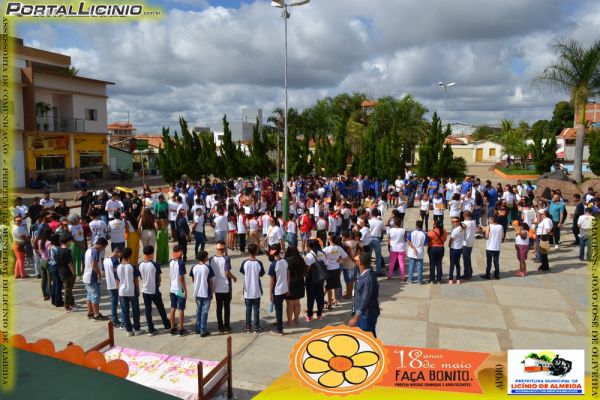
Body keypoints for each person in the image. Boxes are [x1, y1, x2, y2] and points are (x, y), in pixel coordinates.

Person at [139, 246, 171, 336]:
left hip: (144, 290)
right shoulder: (154, 264)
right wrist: (158, 284)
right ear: (152, 254)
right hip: (153, 290)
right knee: (160, 307)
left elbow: (141, 277)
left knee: (148, 309)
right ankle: (166, 325)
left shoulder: (140, 264)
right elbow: (158, 277)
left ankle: (150, 329)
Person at [348, 251, 380, 337]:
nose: (355, 261)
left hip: (366, 314)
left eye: (356, 260)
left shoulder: (368, 278)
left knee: (366, 336)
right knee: (368, 335)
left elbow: (366, 298)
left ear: (360, 262)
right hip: (362, 312)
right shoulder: (362, 273)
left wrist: (356, 316)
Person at [210, 241, 237, 334]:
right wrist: (234, 277)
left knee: (219, 307)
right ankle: (227, 326)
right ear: (223, 248)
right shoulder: (226, 258)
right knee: (226, 307)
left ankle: (220, 327)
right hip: (226, 287)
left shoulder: (211, 259)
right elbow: (227, 272)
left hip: (216, 287)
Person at [116, 247, 143, 337]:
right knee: (135, 311)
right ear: (130, 255)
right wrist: (138, 290)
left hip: (122, 292)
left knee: (125, 312)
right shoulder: (132, 267)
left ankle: (129, 330)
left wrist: (118, 290)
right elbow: (136, 280)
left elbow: (117, 281)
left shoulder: (118, 267)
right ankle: (137, 329)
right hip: (131, 291)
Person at [240, 244, 265, 333]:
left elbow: (242, 272)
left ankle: (248, 327)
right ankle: (257, 327)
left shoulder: (245, 263)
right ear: (256, 252)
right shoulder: (259, 263)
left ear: (248, 251)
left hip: (247, 290)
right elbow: (261, 274)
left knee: (248, 308)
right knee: (256, 309)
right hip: (257, 290)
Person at [83, 237, 109, 321]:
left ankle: (90, 312)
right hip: (92, 277)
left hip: (86, 276)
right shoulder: (95, 252)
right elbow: (94, 265)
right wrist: (99, 274)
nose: (103, 250)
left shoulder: (88, 250)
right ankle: (96, 315)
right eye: (104, 247)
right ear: (101, 245)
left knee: (89, 296)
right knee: (95, 296)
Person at [190, 250, 214, 337]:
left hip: (197, 292)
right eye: (207, 256)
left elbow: (193, 279)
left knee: (198, 310)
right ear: (204, 258)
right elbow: (210, 282)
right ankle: (203, 330)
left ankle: (198, 327)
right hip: (206, 292)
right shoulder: (207, 268)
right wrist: (212, 292)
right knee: (204, 311)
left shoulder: (194, 267)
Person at [268, 243, 289, 336]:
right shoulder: (285, 261)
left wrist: (270, 293)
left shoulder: (273, 265)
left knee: (278, 309)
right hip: (284, 289)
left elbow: (272, 280)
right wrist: (288, 288)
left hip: (277, 291)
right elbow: (288, 275)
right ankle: (279, 322)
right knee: (279, 308)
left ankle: (279, 329)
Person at [168, 245, 189, 336]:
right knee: (181, 309)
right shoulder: (181, 263)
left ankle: (172, 328)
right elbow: (181, 278)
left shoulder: (171, 262)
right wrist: (185, 290)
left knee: (173, 308)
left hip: (172, 288)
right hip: (179, 289)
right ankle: (181, 329)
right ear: (180, 252)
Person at [323, 236, 348, 309]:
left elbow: (321, 258)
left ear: (330, 240)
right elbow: (345, 256)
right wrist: (340, 259)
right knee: (336, 285)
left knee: (328, 287)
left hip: (328, 268)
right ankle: (335, 299)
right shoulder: (339, 248)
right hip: (336, 268)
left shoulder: (326, 249)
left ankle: (330, 303)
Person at [304, 239, 326, 321]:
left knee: (310, 297)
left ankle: (310, 316)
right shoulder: (322, 253)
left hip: (311, 279)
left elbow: (307, 268)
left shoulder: (309, 256)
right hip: (320, 278)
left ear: (309, 246)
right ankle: (319, 314)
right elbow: (325, 264)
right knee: (320, 296)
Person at [285, 246, 306, 325]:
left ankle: (289, 321)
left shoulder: (286, 261)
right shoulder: (301, 259)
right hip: (300, 282)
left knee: (290, 304)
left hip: (290, 283)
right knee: (297, 303)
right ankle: (296, 320)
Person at [57, 235, 77, 312]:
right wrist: (74, 273)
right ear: (67, 241)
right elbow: (70, 264)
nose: (71, 243)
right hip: (68, 273)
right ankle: (67, 306)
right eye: (70, 241)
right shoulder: (67, 251)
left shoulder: (58, 249)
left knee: (69, 289)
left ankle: (72, 304)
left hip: (61, 272)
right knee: (68, 290)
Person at [103, 247, 122, 327]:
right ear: (117, 252)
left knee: (113, 301)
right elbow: (117, 274)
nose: (120, 256)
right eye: (120, 254)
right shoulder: (114, 261)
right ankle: (114, 320)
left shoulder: (105, 260)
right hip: (115, 284)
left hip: (109, 283)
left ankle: (114, 319)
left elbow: (103, 272)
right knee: (114, 302)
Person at [48, 234, 64, 307]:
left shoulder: (51, 247)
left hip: (51, 266)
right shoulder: (57, 249)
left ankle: (54, 300)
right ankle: (58, 301)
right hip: (56, 267)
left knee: (54, 284)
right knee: (58, 285)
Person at [448, 217, 465, 284]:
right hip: (460, 248)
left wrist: (449, 245)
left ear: (458, 222)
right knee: (457, 264)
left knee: (452, 264)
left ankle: (450, 279)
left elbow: (451, 239)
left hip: (454, 248)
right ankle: (458, 279)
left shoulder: (455, 230)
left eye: (454, 221)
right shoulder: (462, 228)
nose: (452, 223)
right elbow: (464, 225)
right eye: (452, 221)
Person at [368, 209, 385, 276]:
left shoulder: (369, 221)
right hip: (377, 239)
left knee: (369, 256)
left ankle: (369, 270)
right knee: (378, 256)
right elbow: (384, 230)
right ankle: (378, 271)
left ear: (371, 213)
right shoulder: (380, 222)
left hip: (369, 238)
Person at [461, 211, 476, 280]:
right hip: (471, 242)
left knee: (466, 259)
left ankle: (467, 274)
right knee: (468, 258)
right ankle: (469, 272)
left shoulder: (464, 223)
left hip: (465, 243)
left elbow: (461, 229)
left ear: (464, 215)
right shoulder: (473, 222)